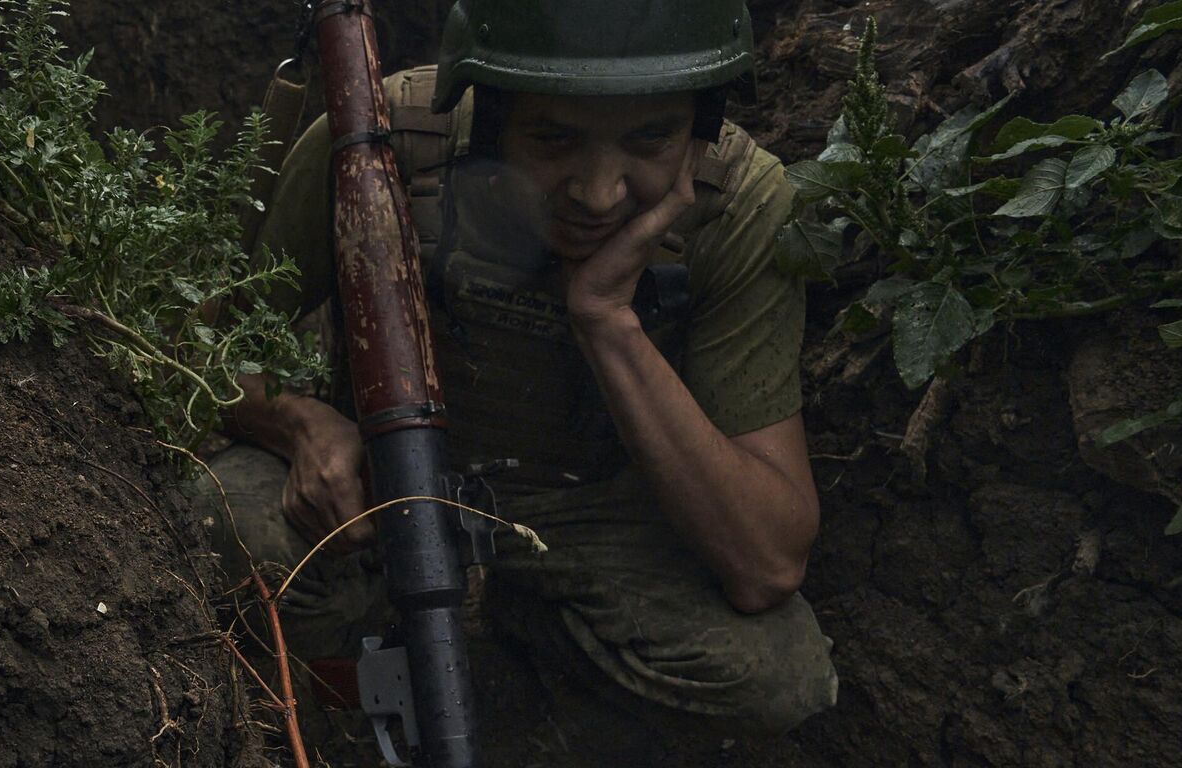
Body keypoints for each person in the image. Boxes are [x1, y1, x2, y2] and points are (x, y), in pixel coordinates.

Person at [195, 0, 839, 761]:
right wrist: (299, 421)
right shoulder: (382, 136)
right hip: (383, 485)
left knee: (774, 677)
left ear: (702, 125)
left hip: (591, 511)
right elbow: (200, 346)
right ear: (490, 113)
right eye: (554, 138)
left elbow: (767, 563)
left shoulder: (740, 210)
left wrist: (607, 320)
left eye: (651, 138)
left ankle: (524, 706)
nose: (598, 193)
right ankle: (331, 723)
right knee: (220, 518)